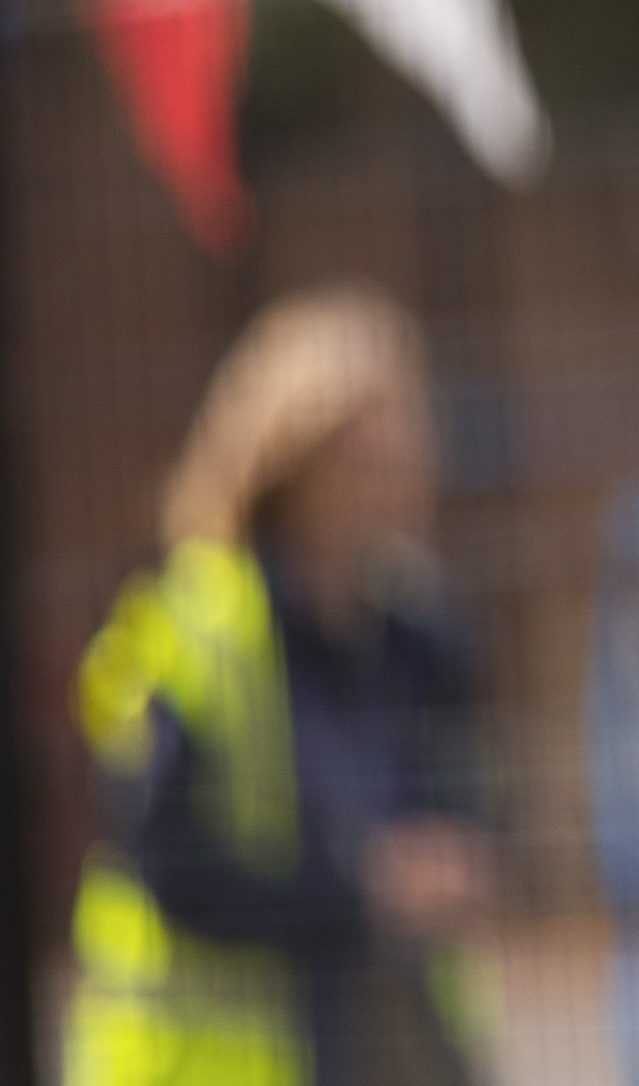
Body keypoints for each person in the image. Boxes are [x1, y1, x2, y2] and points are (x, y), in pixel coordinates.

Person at [66, 284, 497, 1086]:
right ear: (290, 460)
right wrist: (357, 888)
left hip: (386, 1042)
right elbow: (163, 863)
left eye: (404, 454)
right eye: (363, 460)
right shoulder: (198, 625)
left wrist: (456, 857)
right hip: (212, 1063)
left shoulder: (422, 632)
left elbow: (463, 803)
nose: (392, 483)